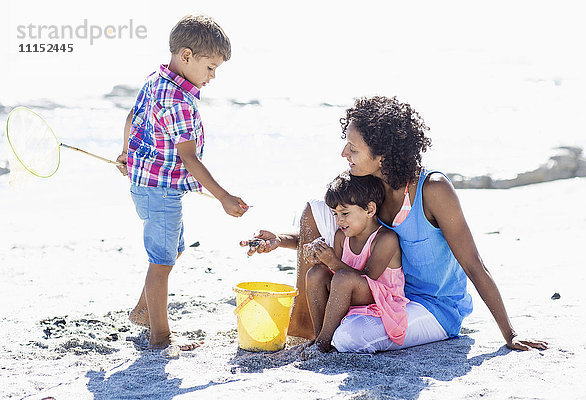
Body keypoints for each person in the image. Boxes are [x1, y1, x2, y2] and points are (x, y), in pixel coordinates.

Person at [241, 96, 547, 352]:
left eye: (354, 148)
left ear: (383, 157)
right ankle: (306, 326)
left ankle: (328, 334)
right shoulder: (367, 184)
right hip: (380, 290)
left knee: (348, 337)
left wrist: (510, 334)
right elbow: (343, 230)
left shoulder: (433, 190)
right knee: (314, 209)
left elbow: (473, 263)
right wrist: (279, 239)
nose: (344, 153)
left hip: (429, 306)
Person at [116, 15, 248, 353]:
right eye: (211, 67)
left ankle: (144, 311)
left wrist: (126, 152)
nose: (213, 76)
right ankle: (160, 336)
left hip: (152, 185)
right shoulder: (177, 101)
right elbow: (190, 159)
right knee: (161, 262)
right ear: (187, 56)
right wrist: (223, 197)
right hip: (160, 190)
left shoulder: (156, 79)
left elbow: (133, 116)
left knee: (171, 250)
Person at [304, 172, 409, 353]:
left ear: (369, 210)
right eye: (335, 214)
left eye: (344, 213)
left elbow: (368, 277)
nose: (339, 220)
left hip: (382, 296)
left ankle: (323, 342)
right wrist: (321, 259)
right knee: (315, 273)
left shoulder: (385, 239)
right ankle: (320, 336)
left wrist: (333, 262)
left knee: (343, 278)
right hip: (351, 288)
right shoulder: (341, 236)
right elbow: (334, 272)